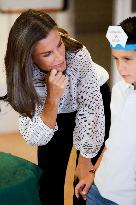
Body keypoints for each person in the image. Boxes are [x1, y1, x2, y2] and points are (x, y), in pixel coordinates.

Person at [1, 9, 110, 205]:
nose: (60, 57)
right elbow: (35, 136)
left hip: (92, 100)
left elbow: (90, 108)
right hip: (53, 110)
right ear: (29, 58)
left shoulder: (77, 54)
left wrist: (85, 160)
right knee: (49, 181)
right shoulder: (24, 75)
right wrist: (52, 98)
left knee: (83, 183)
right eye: (47, 54)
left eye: (59, 44)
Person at [75, 16, 136, 205]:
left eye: (127, 59)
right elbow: (112, 142)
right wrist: (93, 173)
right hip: (98, 190)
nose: (120, 67)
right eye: (116, 59)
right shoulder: (119, 90)